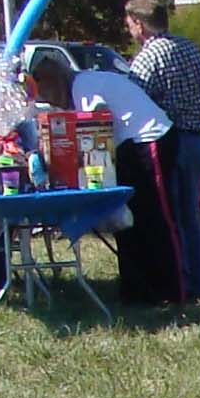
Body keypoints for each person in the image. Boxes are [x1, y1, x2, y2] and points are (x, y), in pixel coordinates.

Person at [32, 58, 185, 302]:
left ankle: (175, 290)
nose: (52, 102)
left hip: (149, 140)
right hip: (129, 147)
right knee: (131, 223)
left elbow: (96, 126)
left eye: (49, 95)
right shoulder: (83, 87)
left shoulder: (84, 87)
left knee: (158, 218)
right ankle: (139, 290)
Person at [125, 0, 200, 299]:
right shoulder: (189, 48)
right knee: (190, 216)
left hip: (170, 142)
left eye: (130, 25)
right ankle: (198, 280)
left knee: (171, 217)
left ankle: (180, 282)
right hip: (198, 140)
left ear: (139, 24)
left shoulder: (150, 56)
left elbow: (135, 101)